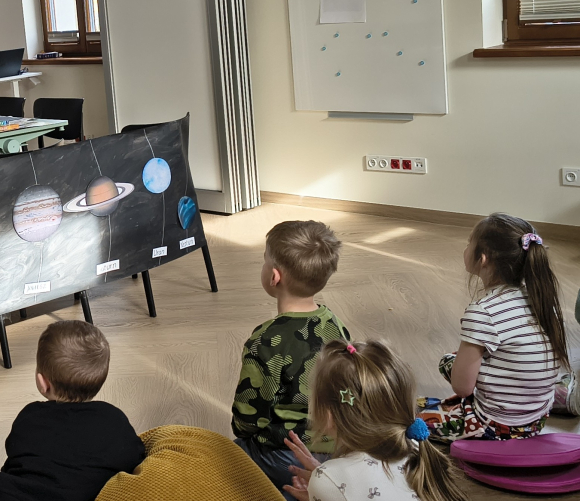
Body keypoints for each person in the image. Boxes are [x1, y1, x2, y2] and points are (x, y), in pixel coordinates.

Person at [0, 320, 144, 501]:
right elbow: (135, 457)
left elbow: (15, 459)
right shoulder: (116, 420)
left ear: (42, 383)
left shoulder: (31, 417)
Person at [416, 213, 572, 441]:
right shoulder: (543, 299)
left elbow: (462, 388)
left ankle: (473, 421)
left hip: (498, 425)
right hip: (537, 419)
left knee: (419, 416)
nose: (466, 247)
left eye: (469, 242)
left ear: (483, 258)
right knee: (455, 362)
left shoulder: (483, 311)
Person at [232, 220, 350, 499]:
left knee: (229, 455)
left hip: (287, 452)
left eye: (264, 260)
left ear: (274, 277)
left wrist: (241, 432)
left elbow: (250, 416)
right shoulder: (335, 323)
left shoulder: (265, 341)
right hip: (339, 447)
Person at [283, 339, 467, 501]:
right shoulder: (416, 444)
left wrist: (328, 482)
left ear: (328, 416)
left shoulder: (326, 480)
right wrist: (332, 481)